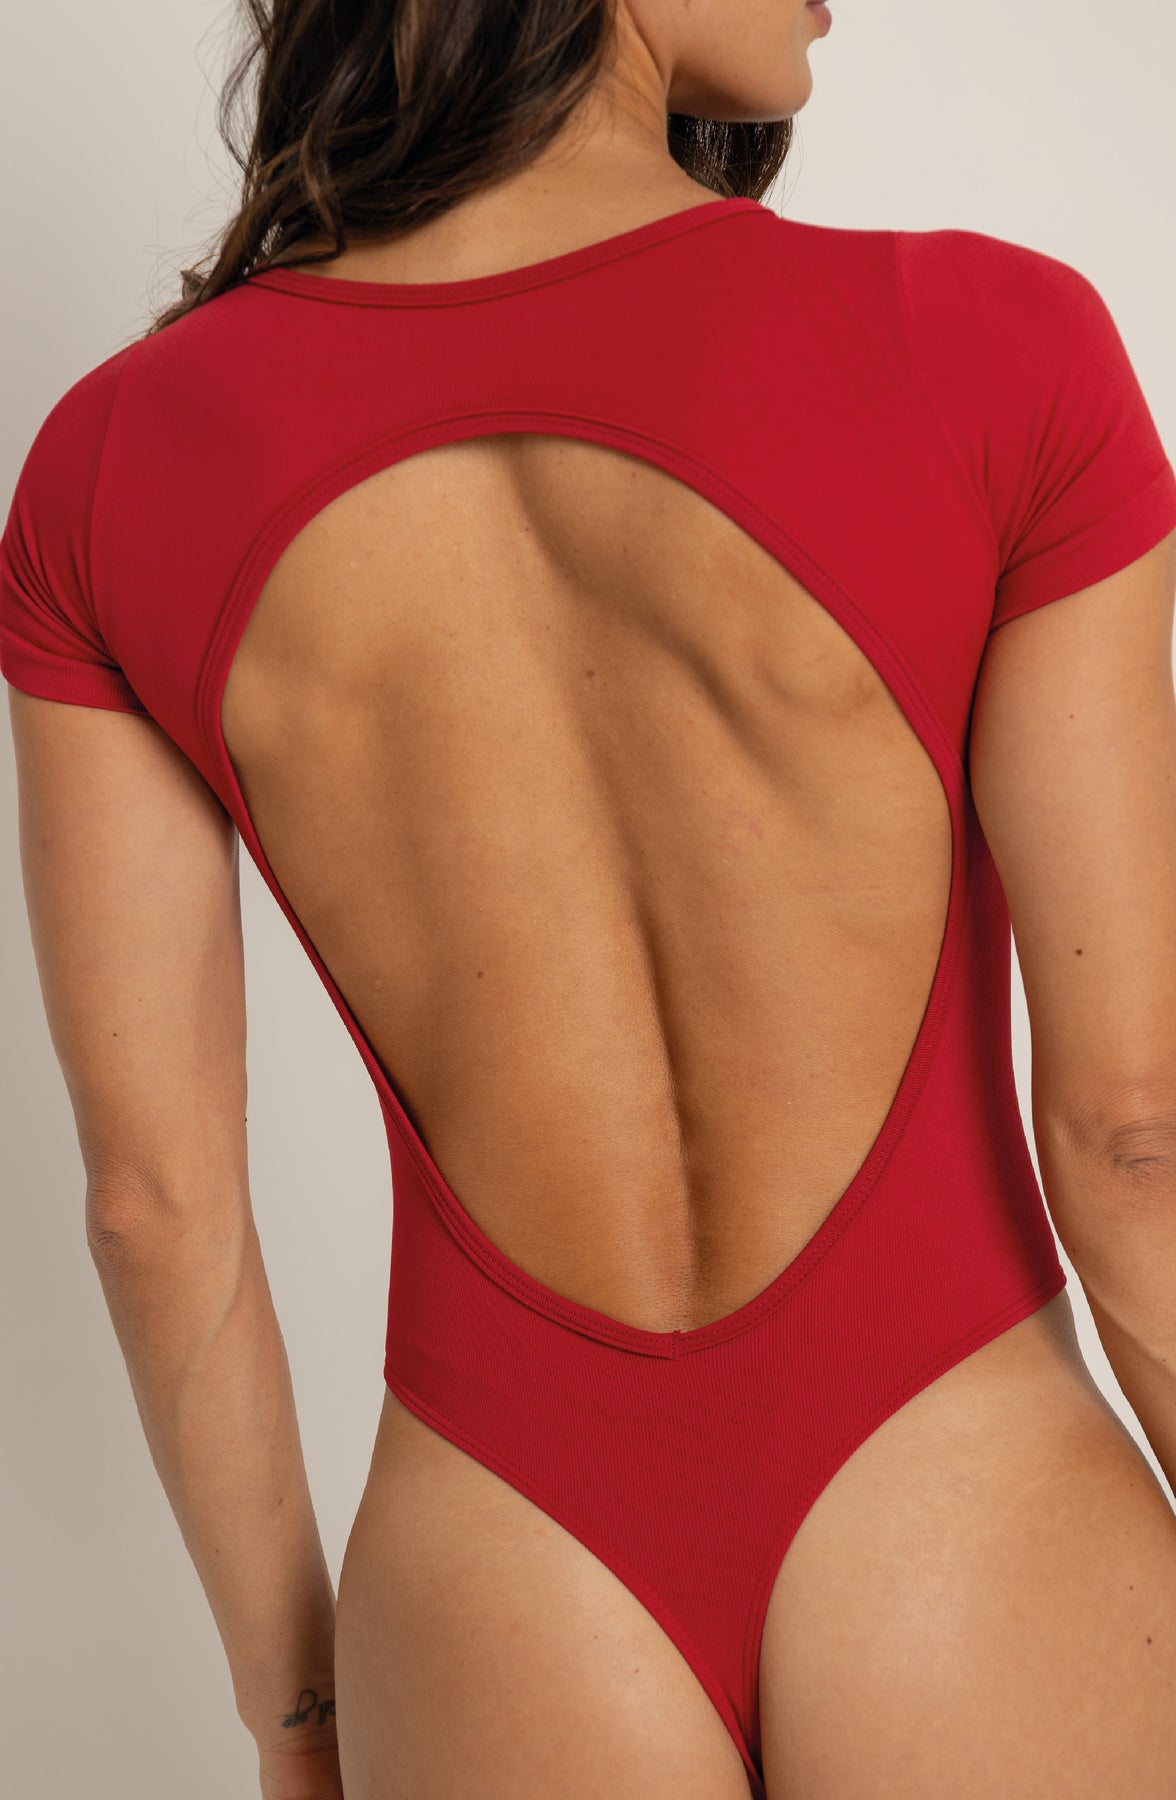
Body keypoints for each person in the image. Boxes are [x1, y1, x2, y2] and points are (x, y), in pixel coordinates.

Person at [4, 0, 1176, 1795]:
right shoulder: (990, 341)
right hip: (965, 1498)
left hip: (504, 1576)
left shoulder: (109, 468)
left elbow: (153, 1208)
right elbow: (1132, 1131)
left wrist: (300, 1719)